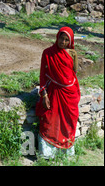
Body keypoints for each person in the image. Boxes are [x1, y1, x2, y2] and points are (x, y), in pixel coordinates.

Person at [35, 26, 81, 159]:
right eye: (62, 38)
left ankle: (66, 153)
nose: (63, 42)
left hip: (69, 94)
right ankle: (47, 154)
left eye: (67, 40)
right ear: (57, 37)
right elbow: (43, 75)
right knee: (49, 120)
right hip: (54, 93)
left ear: (70, 41)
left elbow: (73, 73)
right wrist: (44, 94)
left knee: (68, 122)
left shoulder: (72, 54)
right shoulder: (48, 53)